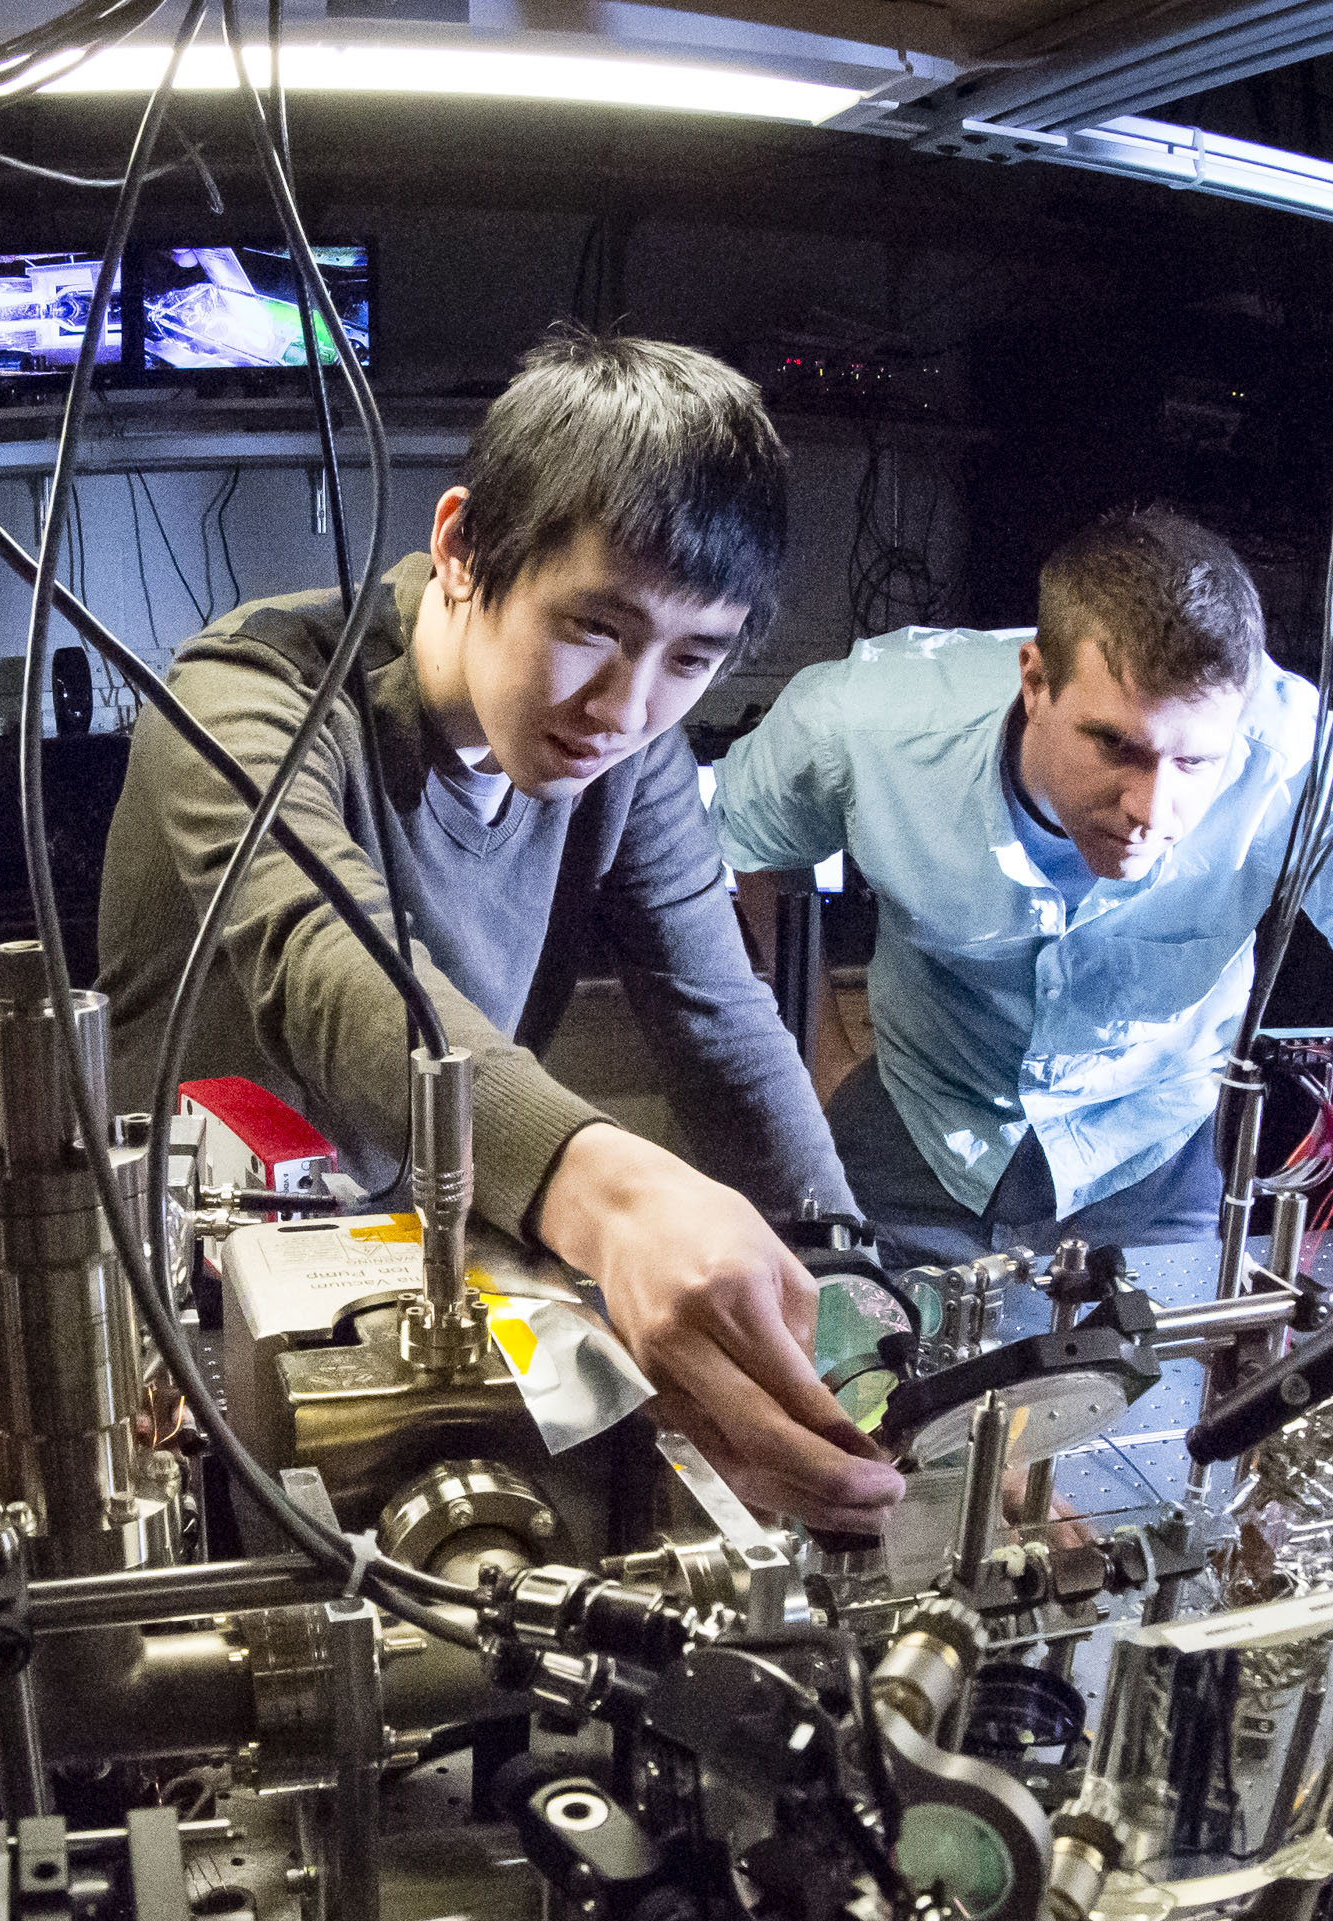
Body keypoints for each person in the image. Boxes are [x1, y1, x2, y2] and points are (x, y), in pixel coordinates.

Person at [97, 331, 900, 1522]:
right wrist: (611, 1193)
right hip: (187, 1323)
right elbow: (333, 972)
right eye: (595, 629)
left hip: (426, 1286)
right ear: (464, 549)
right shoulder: (241, 697)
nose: (627, 709)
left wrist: (845, 1298)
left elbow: (723, 1028)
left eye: (693, 656)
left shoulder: (631, 755)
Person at [711, 503, 1333, 1402]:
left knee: (1136, 1473)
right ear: (1035, 681)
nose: (1151, 808)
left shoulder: (1289, 759)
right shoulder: (868, 722)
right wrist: (816, 1060)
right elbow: (747, 840)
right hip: (908, 1134)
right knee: (868, 1435)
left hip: (1148, 1164)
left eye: (1193, 766)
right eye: (1118, 747)